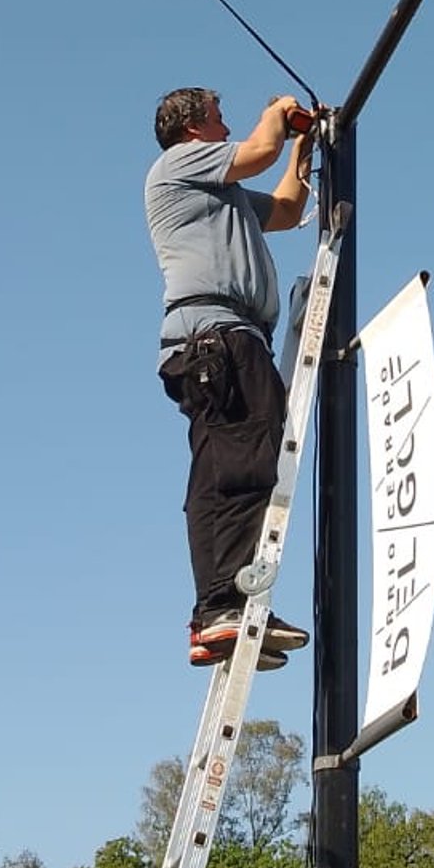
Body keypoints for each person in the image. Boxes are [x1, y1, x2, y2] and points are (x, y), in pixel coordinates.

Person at [145, 86, 315, 669]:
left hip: (225, 338)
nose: (226, 126)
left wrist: (303, 149)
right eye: (219, 118)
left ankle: (214, 612)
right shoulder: (178, 163)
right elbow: (259, 150)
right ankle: (225, 605)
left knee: (226, 466)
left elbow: (290, 209)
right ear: (193, 127)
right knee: (244, 465)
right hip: (217, 337)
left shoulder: (226, 195)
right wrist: (278, 117)